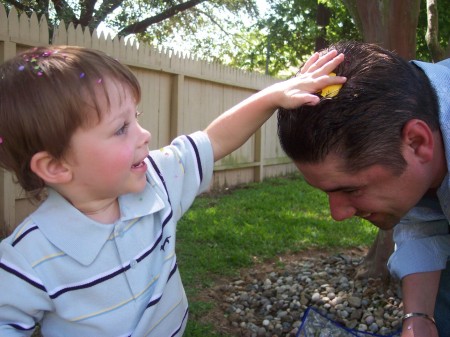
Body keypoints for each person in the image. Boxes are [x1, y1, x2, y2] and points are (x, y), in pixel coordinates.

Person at [0, 45, 345, 336]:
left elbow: (214, 139)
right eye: (121, 128)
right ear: (56, 166)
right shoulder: (26, 260)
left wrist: (273, 96)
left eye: (136, 117)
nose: (144, 134)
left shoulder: (156, 181)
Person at [277, 40, 450, 337]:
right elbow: (423, 220)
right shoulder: (409, 106)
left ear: (418, 142)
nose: (337, 214)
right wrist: (418, 318)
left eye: (351, 189)